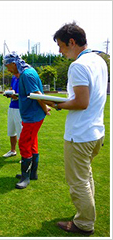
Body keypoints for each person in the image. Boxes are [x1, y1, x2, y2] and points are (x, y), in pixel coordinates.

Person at [42, 22, 108, 235]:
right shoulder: (99, 61)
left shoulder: (78, 65)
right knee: (85, 176)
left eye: (61, 45)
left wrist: (57, 104)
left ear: (72, 42)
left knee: (78, 181)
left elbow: (81, 102)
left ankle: (84, 224)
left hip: (80, 134)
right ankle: (86, 216)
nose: (59, 51)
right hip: (96, 132)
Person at [3, 52, 50, 189]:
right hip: (31, 114)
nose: (7, 69)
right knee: (32, 142)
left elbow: (37, 95)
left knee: (24, 143)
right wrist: (18, 96)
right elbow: (30, 94)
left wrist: (46, 108)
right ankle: (32, 173)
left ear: (13, 63)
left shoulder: (26, 74)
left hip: (32, 116)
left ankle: (25, 177)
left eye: (7, 66)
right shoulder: (27, 72)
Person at [3, 73, 22, 158]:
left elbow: (25, 93)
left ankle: (24, 155)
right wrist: (9, 92)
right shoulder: (14, 77)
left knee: (20, 132)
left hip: (20, 108)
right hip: (12, 106)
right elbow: (12, 88)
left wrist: (16, 96)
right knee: (11, 131)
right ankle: (12, 150)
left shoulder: (23, 77)